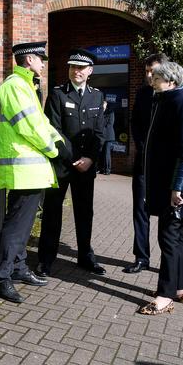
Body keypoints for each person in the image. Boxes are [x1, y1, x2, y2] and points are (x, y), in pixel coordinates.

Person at [0, 41, 71, 304]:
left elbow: (42, 122)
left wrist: (59, 141)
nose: (43, 64)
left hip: (31, 171)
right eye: (41, 59)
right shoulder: (15, 86)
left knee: (24, 225)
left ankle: (18, 268)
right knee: (15, 226)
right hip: (22, 170)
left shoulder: (25, 85)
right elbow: (29, 126)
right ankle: (2, 278)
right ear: (29, 60)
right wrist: (55, 149)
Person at [36, 48, 106, 276]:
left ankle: (85, 256)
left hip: (86, 167)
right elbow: (54, 131)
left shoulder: (97, 95)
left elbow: (99, 132)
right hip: (62, 166)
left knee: (85, 212)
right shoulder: (58, 94)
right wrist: (74, 158)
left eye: (81, 68)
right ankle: (45, 259)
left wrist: (90, 159)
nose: (77, 71)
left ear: (90, 71)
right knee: (52, 212)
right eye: (73, 67)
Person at [137, 61, 183, 315]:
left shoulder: (180, 103)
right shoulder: (170, 99)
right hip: (168, 183)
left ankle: (165, 295)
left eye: (157, 76)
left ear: (171, 82)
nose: (151, 78)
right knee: (180, 235)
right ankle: (182, 288)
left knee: (169, 238)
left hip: (172, 186)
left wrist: (178, 189)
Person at [124, 53, 167, 274]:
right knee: (140, 211)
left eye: (154, 71)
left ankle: (167, 262)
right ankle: (141, 257)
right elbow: (135, 123)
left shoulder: (171, 94)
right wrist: (143, 146)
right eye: (147, 71)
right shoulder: (141, 94)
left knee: (166, 215)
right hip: (143, 163)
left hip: (164, 167)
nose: (149, 75)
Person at [99, 100, 115, 175]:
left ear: (106, 105)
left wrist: (101, 127)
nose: (102, 106)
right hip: (101, 136)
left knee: (106, 154)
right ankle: (101, 168)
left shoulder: (110, 113)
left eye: (103, 105)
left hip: (108, 136)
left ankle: (108, 169)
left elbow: (110, 124)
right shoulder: (100, 113)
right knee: (101, 153)